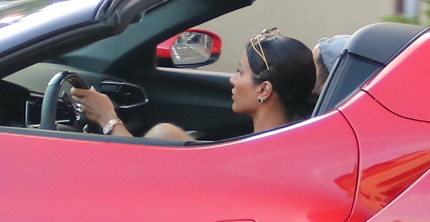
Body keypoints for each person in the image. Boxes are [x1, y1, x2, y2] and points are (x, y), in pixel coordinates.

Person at [71, 29, 317, 142]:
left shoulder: (261, 155)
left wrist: (107, 118)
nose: (232, 80)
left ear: (264, 89)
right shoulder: (286, 146)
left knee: (163, 133)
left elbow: (141, 166)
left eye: (240, 72)